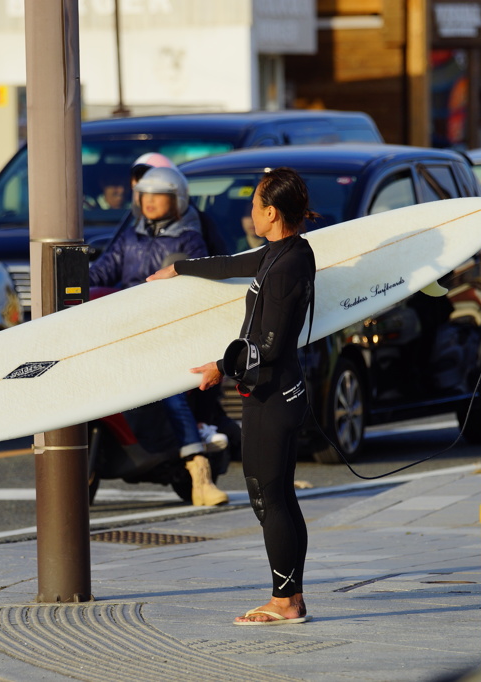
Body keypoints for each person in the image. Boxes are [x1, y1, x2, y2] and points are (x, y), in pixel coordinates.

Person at [148, 166, 318, 625]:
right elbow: (232, 264)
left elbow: (270, 346)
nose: (249, 214)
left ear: (272, 212)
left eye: (254, 205)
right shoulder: (283, 253)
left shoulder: (285, 267)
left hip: (273, 396)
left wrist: (219, 369)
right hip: (273, 393)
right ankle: (292, 597)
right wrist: (178, 269)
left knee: (269, 498)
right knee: (279, 496)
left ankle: (284, 602)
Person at [90, 165, 229, 506]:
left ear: (177, 199)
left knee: (170, 390)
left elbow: (196, 283)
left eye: (159, 196)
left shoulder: (188, 239)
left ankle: (199, 473)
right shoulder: (130, 236)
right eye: (145, 195)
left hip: (167, 332)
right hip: (124, 327)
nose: (149, 202)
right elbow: (105, 269)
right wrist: (74, 277)